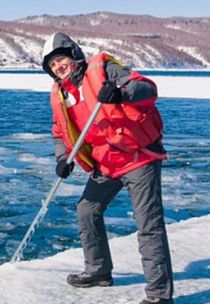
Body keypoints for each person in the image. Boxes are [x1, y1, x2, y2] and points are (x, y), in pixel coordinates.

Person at [41, 32, 174, 304]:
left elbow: (148, 89)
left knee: (148, 225)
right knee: (86, 210)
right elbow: (59, 131)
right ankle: (98, 271)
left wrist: (120, 93)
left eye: (61, 60)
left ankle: (160, 296)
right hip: (106, 163)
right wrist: (61, 158)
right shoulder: (61, 93)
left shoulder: (103, 69)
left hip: (138, 156)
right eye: (52, 66)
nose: (58, 67)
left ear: (74, 55)